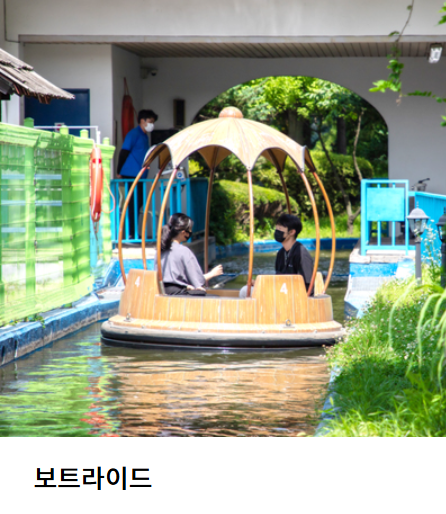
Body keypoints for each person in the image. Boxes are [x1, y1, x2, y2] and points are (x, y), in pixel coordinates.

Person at [240, 213, 314, 298]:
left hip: (293, 297)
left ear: (292, 232)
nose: (277, 231)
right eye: (277, 227)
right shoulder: (281, 253)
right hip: (281, 293)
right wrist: (260, 284)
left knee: (245, 291)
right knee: (247, 289)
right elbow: (279, 280)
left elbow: (308, 286)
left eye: (280, 228)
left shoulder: (301, 254)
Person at [156, 213, 224, 295]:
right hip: (178, 295)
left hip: (163, 292)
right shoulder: (184, 251)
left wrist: (186, 286)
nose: (191, 232)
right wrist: (213, 273)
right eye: (190, 229)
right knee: (214, 298)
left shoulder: (160, 250)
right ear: (183, 232)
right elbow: (198, 281)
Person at [117, 109, 158, 239]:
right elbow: (124, 152)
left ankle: (133, 232)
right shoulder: (133, 134)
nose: (152, 124)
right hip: (131, 174)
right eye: (150, 121)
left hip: (140, 175)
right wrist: (119, 171)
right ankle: (131, 233)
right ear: (142, 120)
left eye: (153, 122)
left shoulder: (145, 136)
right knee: (133, 203)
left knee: (138, 203)